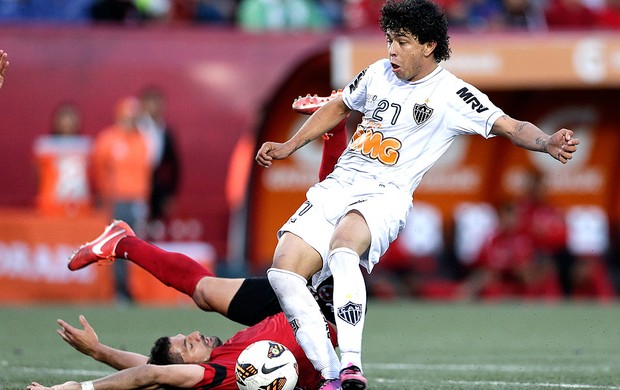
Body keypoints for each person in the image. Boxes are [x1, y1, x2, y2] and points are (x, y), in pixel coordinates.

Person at [255, 0, 580, 388]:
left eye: (402, 42)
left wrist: (546, 142)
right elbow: (339, 105)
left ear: (428, 46)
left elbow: (509, 126)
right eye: (390, 40)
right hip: (339, 186)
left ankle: (351, 365)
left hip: (384, 195)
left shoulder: (453, 95)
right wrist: (290, 145)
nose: (392, 50)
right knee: (283, 273)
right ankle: (330, 376)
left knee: (344, 250)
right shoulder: (377, 73)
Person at [26, 223, 337, 390]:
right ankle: (332, 132)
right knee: (332, 220)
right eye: (188, 344)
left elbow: (151, 368)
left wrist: (99, 351)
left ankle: (121, 244)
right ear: (190, 366)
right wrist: (74, 389)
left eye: (186, 336)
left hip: (290, 308)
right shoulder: (213, 375)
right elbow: (151, 376)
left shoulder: (218, 358)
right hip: (316, 316)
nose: (196, 335)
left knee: (204, 293)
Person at [91, 96, 152, 303]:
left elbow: (146, 171)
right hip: (116, 200)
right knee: (116, 246)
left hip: (137, 200)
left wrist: (144, 199)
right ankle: (119, 291)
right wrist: (104, 194)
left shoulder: (142, 140)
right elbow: (98, 169)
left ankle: (134, 290)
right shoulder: (108, 139)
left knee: (138, 247)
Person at [136, 86, 181, 226]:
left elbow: (174, 165)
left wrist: (170, 193)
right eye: (150, 102)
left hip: (156, 183)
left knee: (155, 225)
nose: (154, 107)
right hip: (135, 180)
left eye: (157, 102)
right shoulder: (136, 128)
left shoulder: (165, 130)